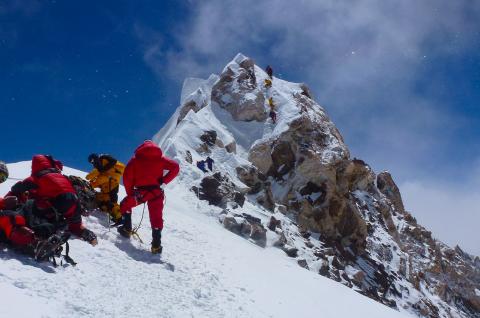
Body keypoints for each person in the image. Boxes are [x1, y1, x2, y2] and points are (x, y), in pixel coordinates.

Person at [9, 155, 97, 246]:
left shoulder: (37, 177)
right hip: (74, 204)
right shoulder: (62, 177)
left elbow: (16, 189)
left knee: (30, 205)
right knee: (74, 224)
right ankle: (86, 233)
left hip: (57, 205)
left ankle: (39, 237)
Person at [118, 141, 179, 254]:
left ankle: (127, 229)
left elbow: (127, 178)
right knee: (156, 217)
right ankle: (156, 246)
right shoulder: (160, 159)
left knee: (125, 204)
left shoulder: (135, 160)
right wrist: (164, 181)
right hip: (157, 192)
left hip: (141, 193)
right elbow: (175, 167)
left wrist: (131, 193)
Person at [86, 153, 125, 224]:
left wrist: (91, 183)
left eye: (92, 161)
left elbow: (99, 178)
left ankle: (120, 219)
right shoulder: (103, 169)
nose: (92, 163)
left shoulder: (103, 165)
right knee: (107, 202)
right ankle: (118, 217)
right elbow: (98, 176)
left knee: (111, 203)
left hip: (110, 186)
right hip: (110, 186)